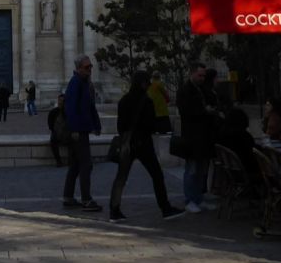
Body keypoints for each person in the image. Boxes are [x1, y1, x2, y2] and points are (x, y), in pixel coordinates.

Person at [109, 69, 183, 222]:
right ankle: (165, 208)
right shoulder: (146, 101)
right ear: (143, 84)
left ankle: (114, 211)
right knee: (157, 176)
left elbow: (120, 126)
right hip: (143, 144)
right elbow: (150, 125)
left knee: (121, 178)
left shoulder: (124, 101)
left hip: (127, 144)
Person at [61, 55, 102, 211]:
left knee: (76, 165)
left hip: (82, 129)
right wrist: (75, 130)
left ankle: (68, 197)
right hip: (78, 131)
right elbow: (70, 109)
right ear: (78, 69)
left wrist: (96, 125)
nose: (90, 69)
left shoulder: (84, 83)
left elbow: (90, 107)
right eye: (87, 67)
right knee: (86, 164)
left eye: (90, 66)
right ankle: (86, 199)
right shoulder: (76, 83)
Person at [176, 63, 216, 213]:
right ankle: (190, 199)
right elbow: (186, 112)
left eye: (203, 76)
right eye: (200, 75)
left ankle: (198, 198)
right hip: (192, 136)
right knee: (192, 169)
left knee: (201, 170)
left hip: (204, 135)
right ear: (192, 73)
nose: (202, 78)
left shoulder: (201, 89)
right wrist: (204, 111)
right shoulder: (185, 91)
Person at [47, 92, 68, 166]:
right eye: (60, 100)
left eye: (62, 101)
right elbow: (50, 125)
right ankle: (58, 161)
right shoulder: (53, 112)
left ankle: (71, 160)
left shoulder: (68, 112)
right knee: (53, 140)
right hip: (57, 133)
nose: (61, 102)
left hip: (67, 133)